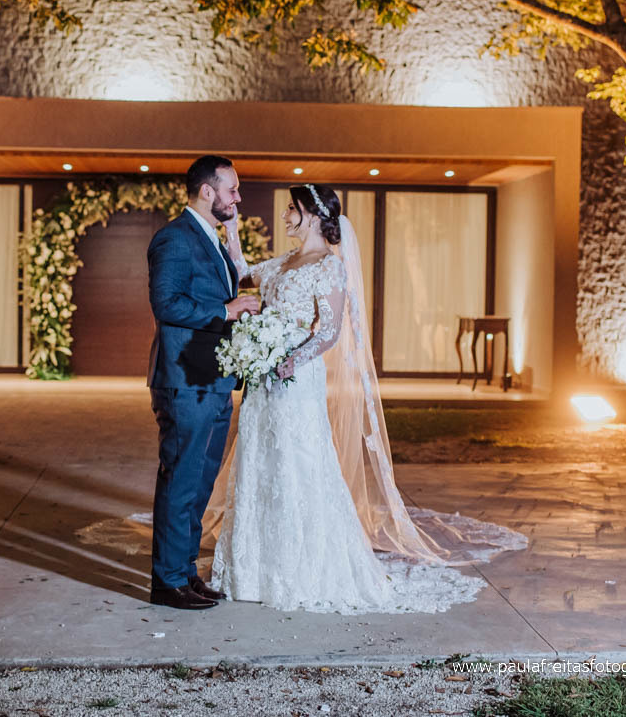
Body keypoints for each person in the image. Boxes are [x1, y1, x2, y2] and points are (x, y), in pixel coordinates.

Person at [208, 183, 526, 613]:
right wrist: (230, 232)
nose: (285, 215)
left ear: (312, 216)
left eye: (291, 209)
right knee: (259, 461)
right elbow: (243, 272)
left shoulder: (329, 266)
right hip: (264, 381)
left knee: (298, 462)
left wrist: (290, 360)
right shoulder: (284, 261)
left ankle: (302, 569)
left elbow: (328, 331)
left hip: (296, 379)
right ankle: (253, 570)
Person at [146, 155, 261, 610]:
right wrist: (225, 311)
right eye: (232, 189)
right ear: (207, 191)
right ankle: (167, 582)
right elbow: (166, 303)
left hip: (213, 380)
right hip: (185, 381)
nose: (238, 197)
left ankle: (185, 571)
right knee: (181, 480)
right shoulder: (174, 238)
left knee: (200, 483)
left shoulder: (211, 238)